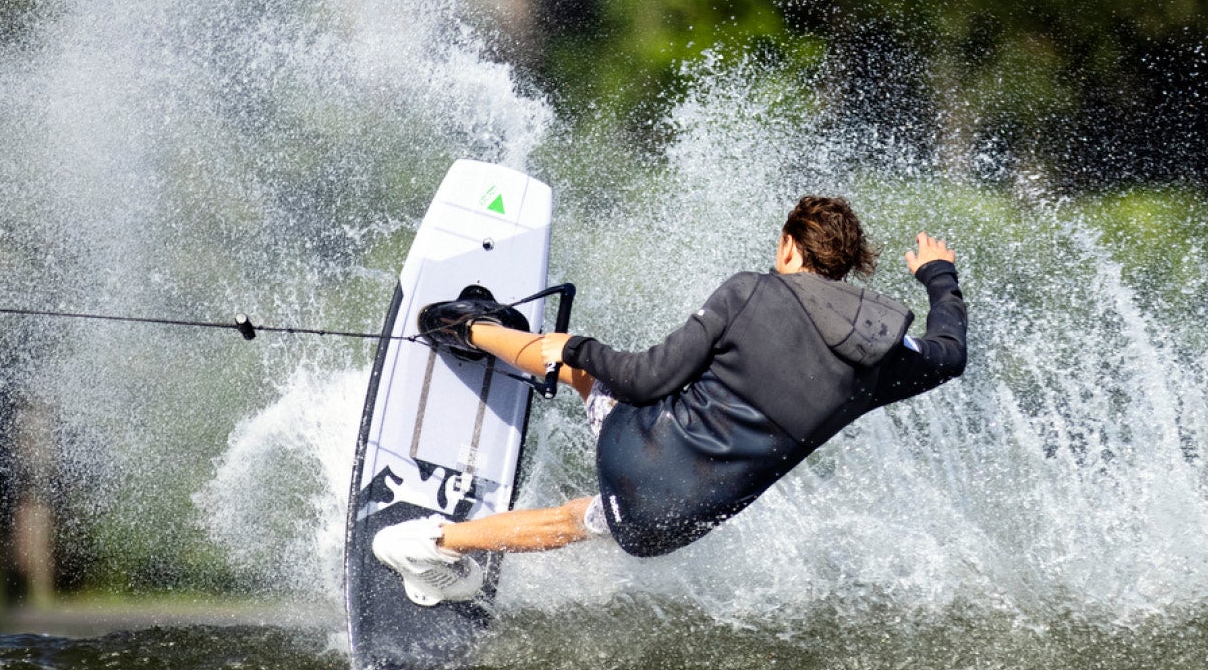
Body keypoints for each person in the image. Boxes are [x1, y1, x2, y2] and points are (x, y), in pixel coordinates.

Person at [373, 194, 967, 605]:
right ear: (845, 267)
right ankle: (432, 545)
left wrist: (581, 347)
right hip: (671, 524)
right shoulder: (883, 355)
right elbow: (948, 353)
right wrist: (939, 274)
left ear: (789, 248)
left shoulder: (752, 292)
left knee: (587, 371)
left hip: (635, 452)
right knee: (586, 518)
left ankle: (464, 329)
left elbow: (644, 381)